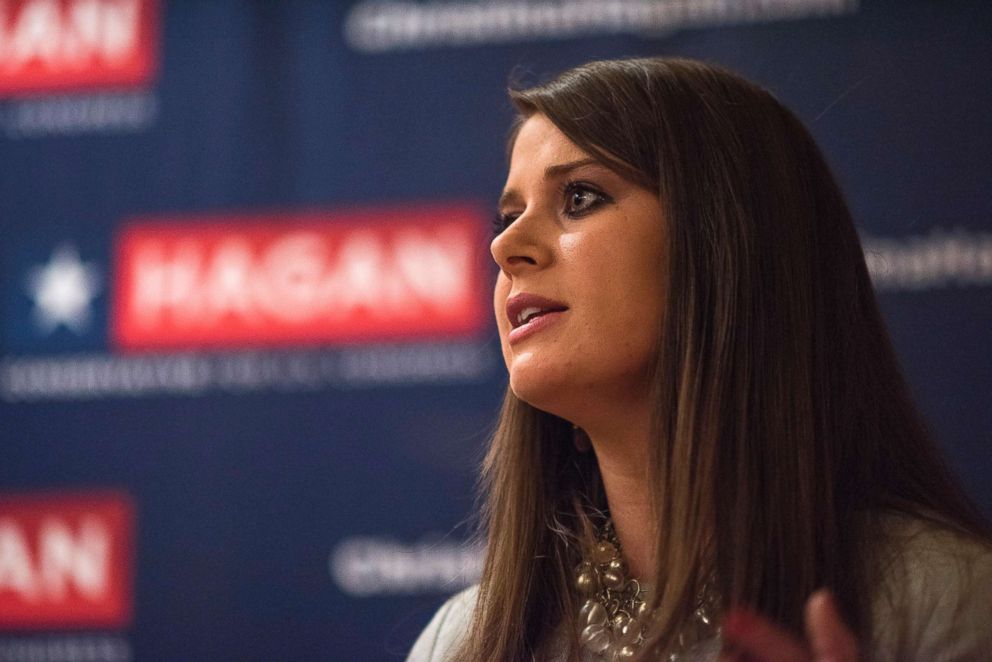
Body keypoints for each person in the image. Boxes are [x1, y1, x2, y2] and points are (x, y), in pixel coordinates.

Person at [407, 57, 992, 661]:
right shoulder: (458, 643)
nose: (504, 245)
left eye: (580, 196)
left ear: (726, 244)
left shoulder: (949, 605)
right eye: (509, 216)